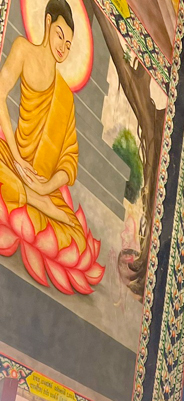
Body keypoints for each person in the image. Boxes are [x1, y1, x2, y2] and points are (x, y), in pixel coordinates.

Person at [0, 0, 85, 251]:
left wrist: (45, 187)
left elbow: (69, 160)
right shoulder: (23, 50)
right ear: (48, 23)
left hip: (41, 182)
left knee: (77, 238)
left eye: (68, 45)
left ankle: (34, 197)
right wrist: (18, 159)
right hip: (12, 161)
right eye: (60, 35)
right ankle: (32, 198)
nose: (63, 47)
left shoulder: (65, 97)